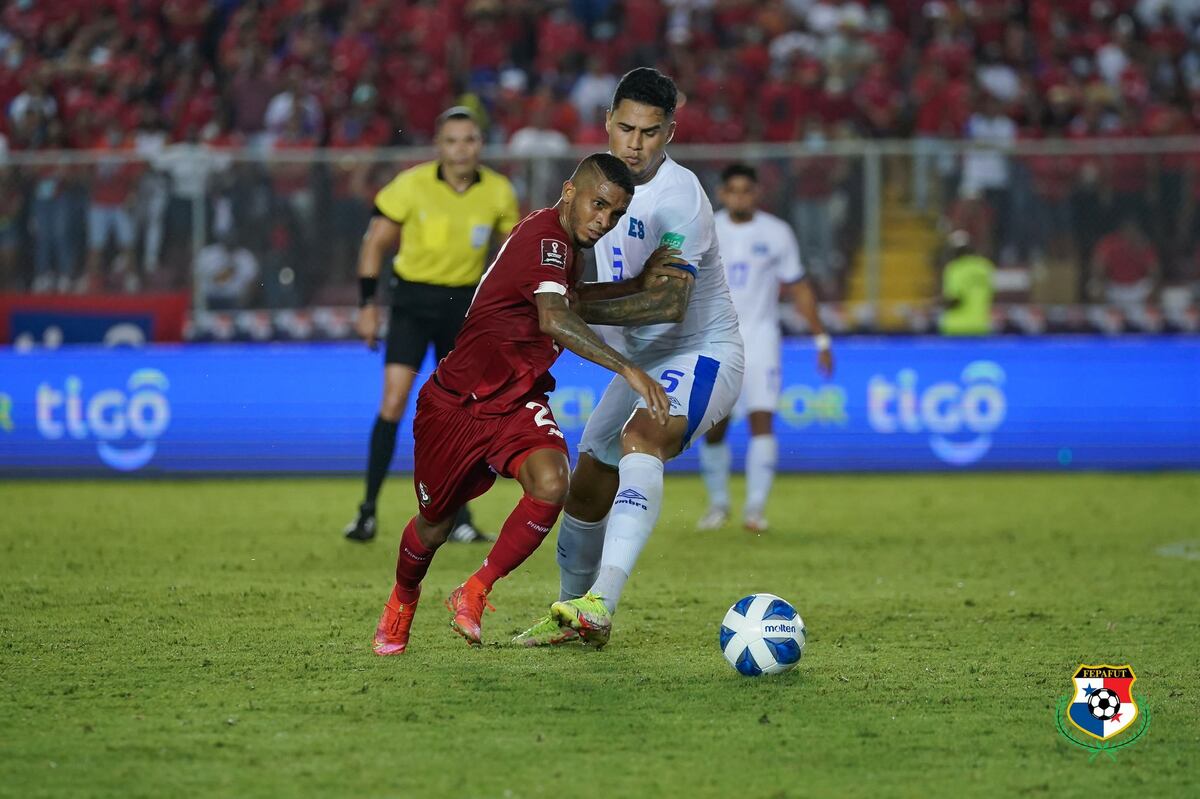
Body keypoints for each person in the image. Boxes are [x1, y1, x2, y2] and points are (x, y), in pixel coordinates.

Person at [372, 153, 673, 654]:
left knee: (553, 482)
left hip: (517, 401)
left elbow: (570, 303)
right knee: (434, 525)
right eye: (599, 205)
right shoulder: (546, 239)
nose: (604, 221)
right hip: (456, 406)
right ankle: (403, 598)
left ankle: (475, 590)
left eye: (616, 215)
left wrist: (638, 286)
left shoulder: (564, 245)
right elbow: (556, 318)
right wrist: (627, 368)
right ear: (569, 191)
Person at [515, 68, 745, 648]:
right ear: (607, 123)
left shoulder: (680, 196)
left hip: (701, 351)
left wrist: (576, 305)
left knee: (643, 438)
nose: (636, 145)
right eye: (625, 128)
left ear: (671, 131)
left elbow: (668, 302)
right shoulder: (597, 187)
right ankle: (573, 616)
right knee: (587, 480)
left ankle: (602, 602)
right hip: (639, 361)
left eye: (650, 132)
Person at [346, 107, 520, 544]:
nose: (461, 149)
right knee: (394, 401)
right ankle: (367, 512)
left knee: (461, 413)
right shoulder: (411, 185)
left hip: (462, 307)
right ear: (439, 146)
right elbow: (375, 244)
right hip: (412, 302)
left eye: (469, 140)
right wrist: (367, 304)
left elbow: (512, 256)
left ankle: (459, 516)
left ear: (480, 145)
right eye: (452, 141)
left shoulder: (499, 192)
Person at [698, 163, 834, 534]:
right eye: (733, 190)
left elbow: (799, 286)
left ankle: (754, 509)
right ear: (723, 194)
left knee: (762, 420)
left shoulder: (777, 233)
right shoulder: (708, 230)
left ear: (757, 193)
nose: (740, 196)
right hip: (717, 339)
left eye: (747, 190)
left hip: (762, 340)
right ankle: (718, 504)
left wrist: (820, 337)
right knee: (714, 425)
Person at [939, 229, 995, 336]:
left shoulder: (955, 268)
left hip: (957, 327)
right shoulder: (985, 267)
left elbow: (954, 300)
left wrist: (940, 303)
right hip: (981, 325)